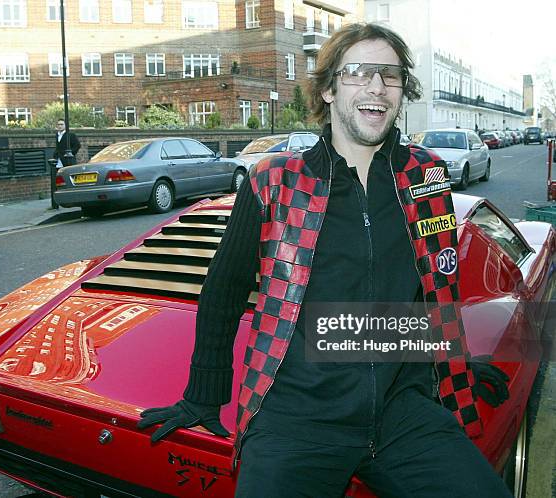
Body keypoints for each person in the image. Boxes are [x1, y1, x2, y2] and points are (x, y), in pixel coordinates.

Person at [138, 23, 512, 498]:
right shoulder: (274, 180)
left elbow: (429, 289)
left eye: (389, 75)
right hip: (296, 420)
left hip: (402, 413)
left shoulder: (427, 175)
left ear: (401, 92)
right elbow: (225, 288)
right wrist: (204, 393)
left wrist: (450, 366)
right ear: (330, 90)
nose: (376, 85)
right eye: (358, 72)